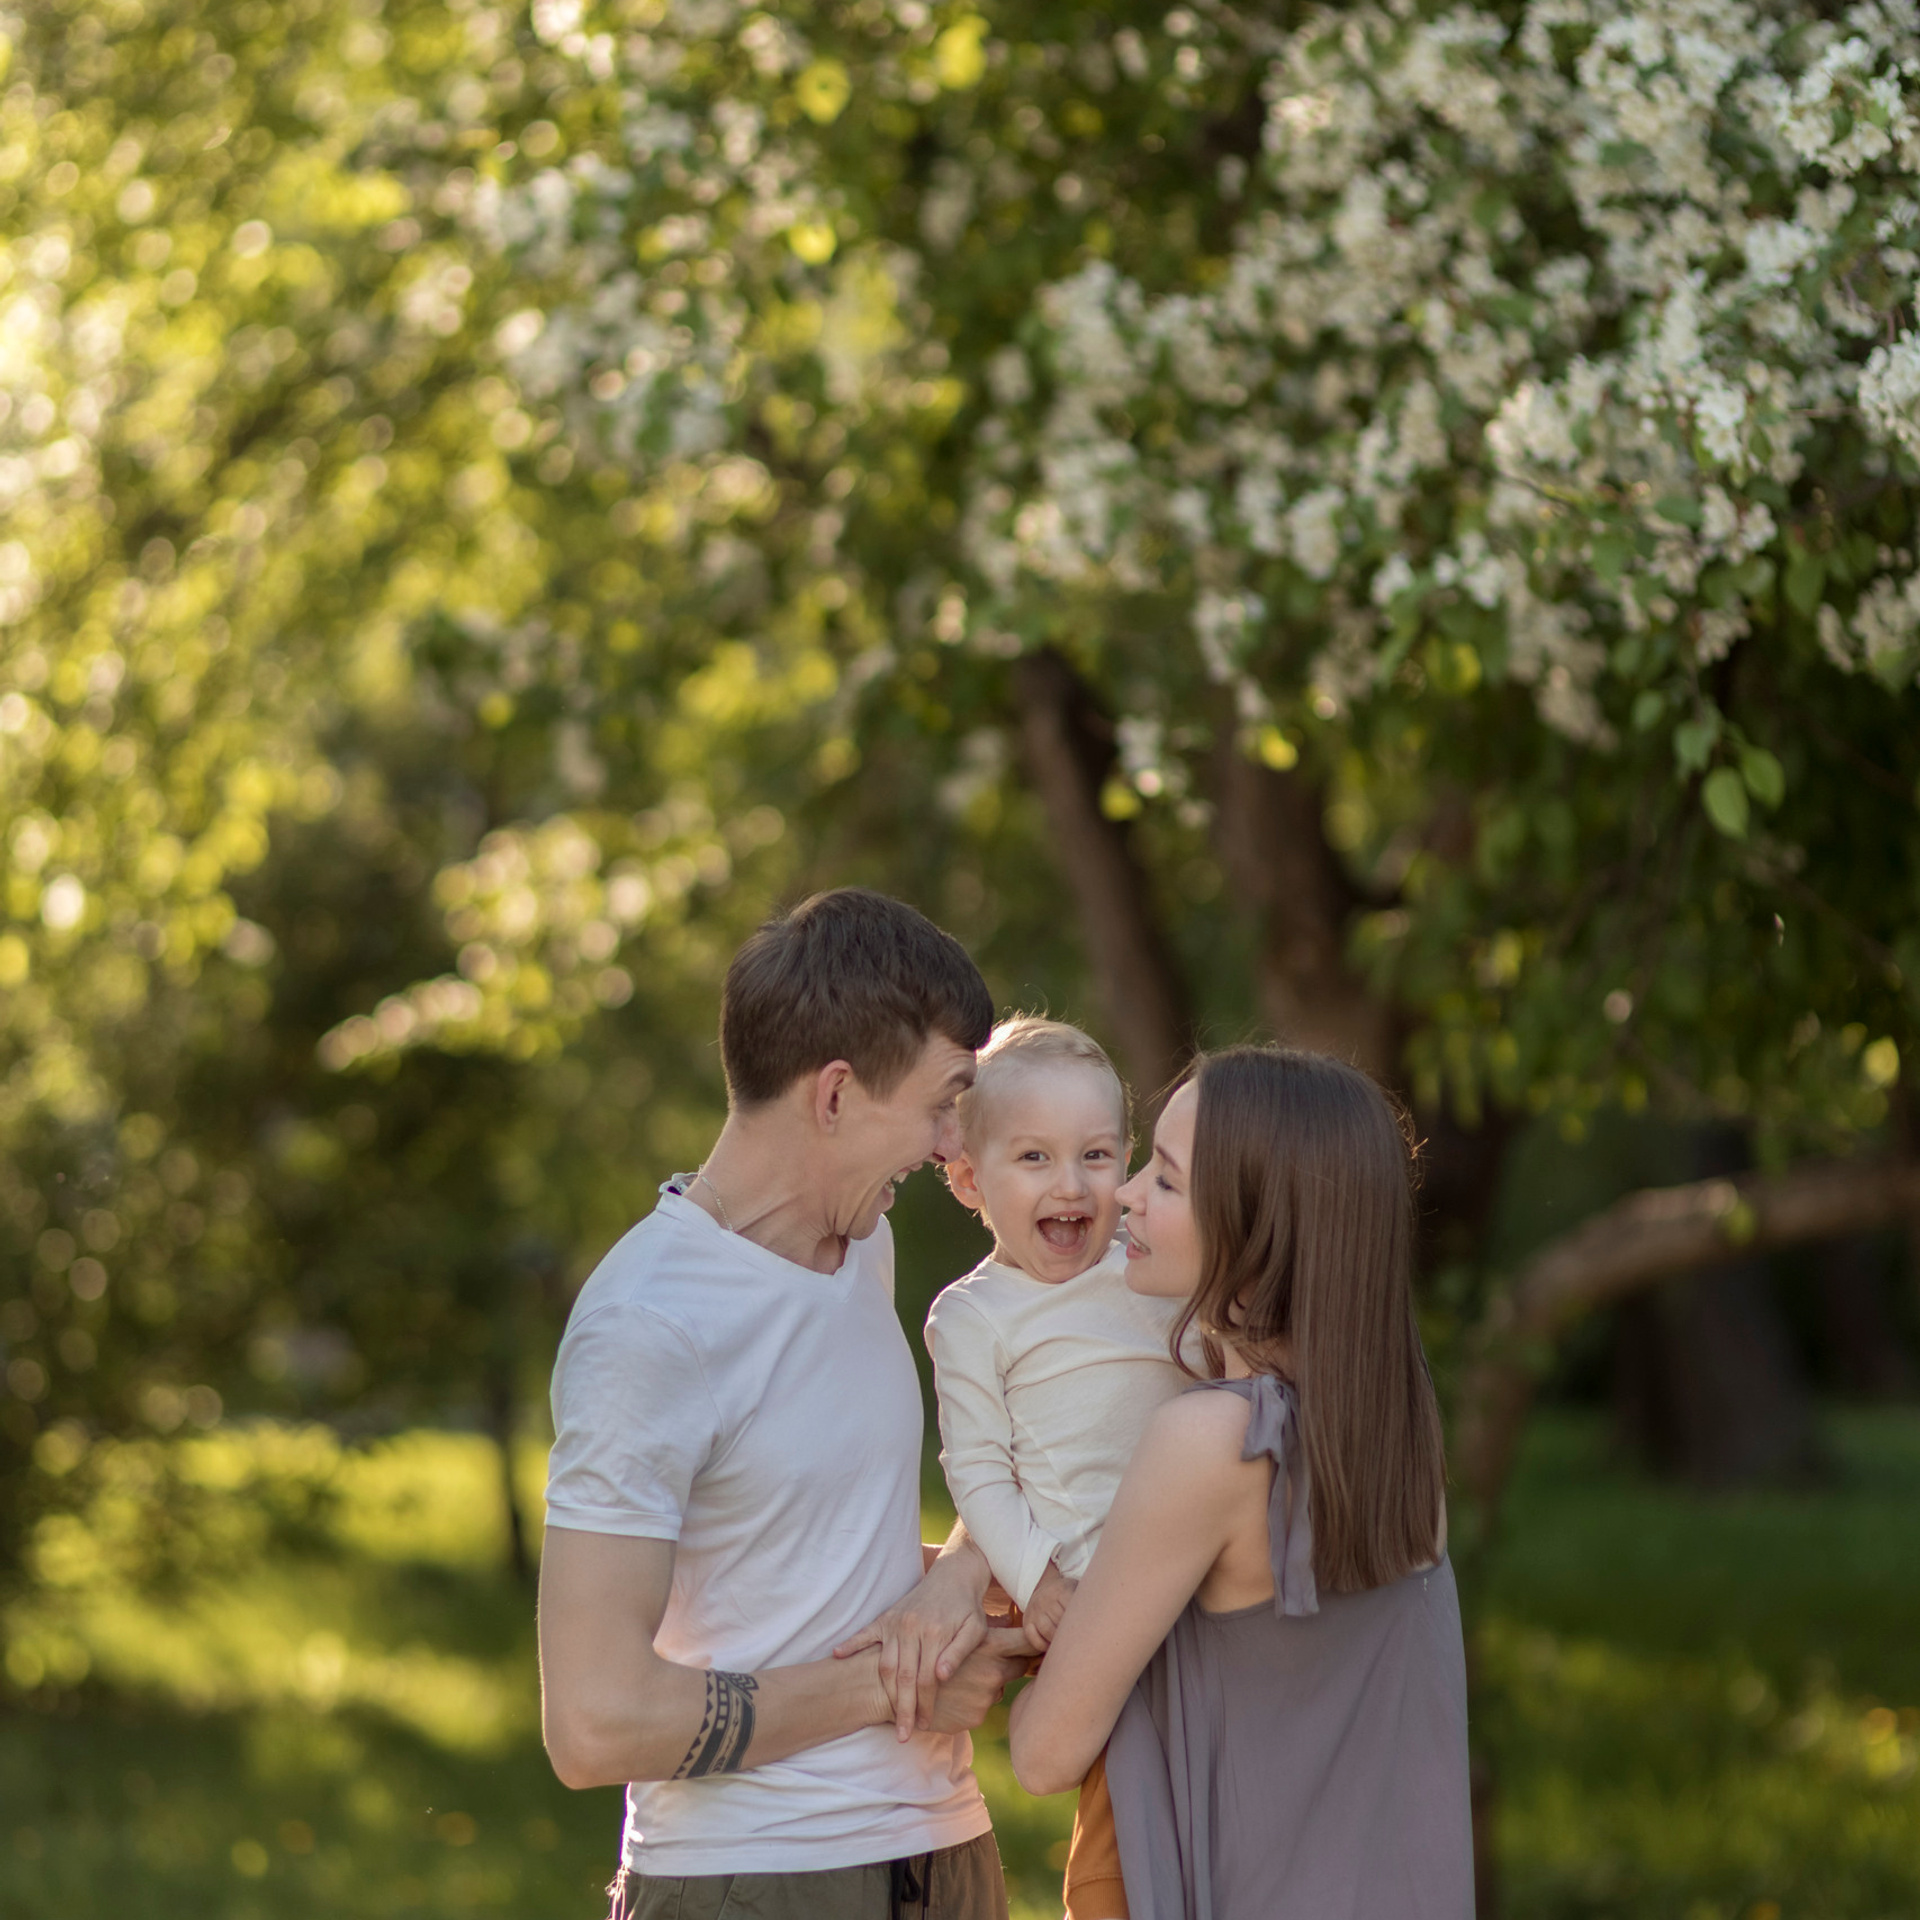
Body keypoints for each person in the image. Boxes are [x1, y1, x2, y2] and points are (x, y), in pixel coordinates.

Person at [539, 888, 1031, 1920]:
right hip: (759, 1881)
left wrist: (967, 1587)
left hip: (946, 1854)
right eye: (943, 1102)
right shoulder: (650, 1325)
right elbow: (591, 1721)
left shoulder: (865, 1248)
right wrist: (887, 1690)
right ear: (837, 1095)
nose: (955, 1145)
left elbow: (808, 1551)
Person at [1006, 1046, 1474, 1919]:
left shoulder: (1214, 1439)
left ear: (1263, 1226)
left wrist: (1024, 1658)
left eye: (1170, 1182)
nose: (1125, 1194)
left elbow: (1042, 1755)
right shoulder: (1389, 1415)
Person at [923, 1018, 1188, 1920]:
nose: (1071, 1185)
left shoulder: (1146, 1276)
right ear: (969, 1179)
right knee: (1122, 1815)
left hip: (1193, 1571)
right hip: (1084, 1596)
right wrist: (1035, 1579)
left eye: (1097, 1155)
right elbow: (979, 1473)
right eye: (1033, 1158)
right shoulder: (975, 1316)